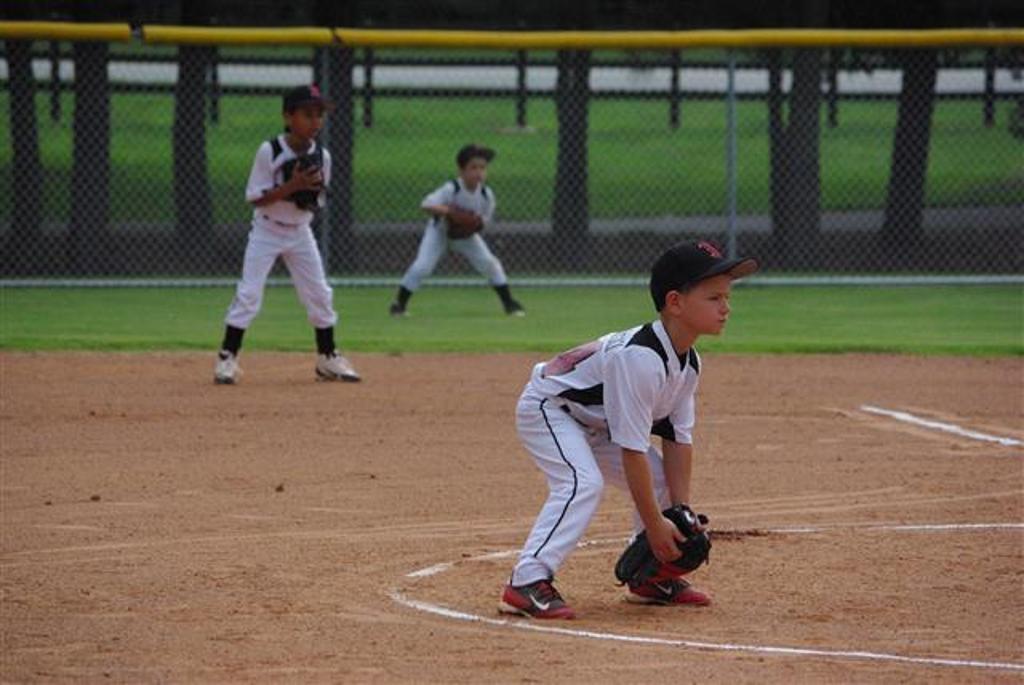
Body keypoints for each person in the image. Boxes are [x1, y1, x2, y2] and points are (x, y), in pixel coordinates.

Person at [498, 240, 758, 619]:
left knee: (661, 480)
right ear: (675, 302)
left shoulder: (688, 363)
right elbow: (632, 450)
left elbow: (677, 440)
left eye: (727, 297)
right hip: (551, 408)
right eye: (714, 297)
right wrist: (655, 525)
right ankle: (526, 580)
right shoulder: (640, 359)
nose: (726, 307)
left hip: (597, 421)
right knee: (582, 483)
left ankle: (650, 579)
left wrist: (679, 513)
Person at [214, 85, 360, 385]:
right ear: (288, 116)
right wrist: (292, 186)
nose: (316, 121)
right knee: (249, 293)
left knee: (319, 293)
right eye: (307, 114)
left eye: (319, 115)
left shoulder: (322, 156)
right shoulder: (270, 151)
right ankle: (227, 358)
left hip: (300, 232)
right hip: (267, 230)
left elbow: (319, 200)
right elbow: (255, 198)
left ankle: (327, 357)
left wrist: (311, 193)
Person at [389, 144, 525, 317]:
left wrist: (471, 224)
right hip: (439, 232)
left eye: (483, 168)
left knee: (490, 263)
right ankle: (399, 304)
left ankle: (509, 304)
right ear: (461, 171)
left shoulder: (486, 195)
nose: (479, 173)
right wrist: (450, 212)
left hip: (465, 236)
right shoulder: (452, 188)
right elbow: (426, 204)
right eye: (473, 167)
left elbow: (483, 222)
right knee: (422, 267)